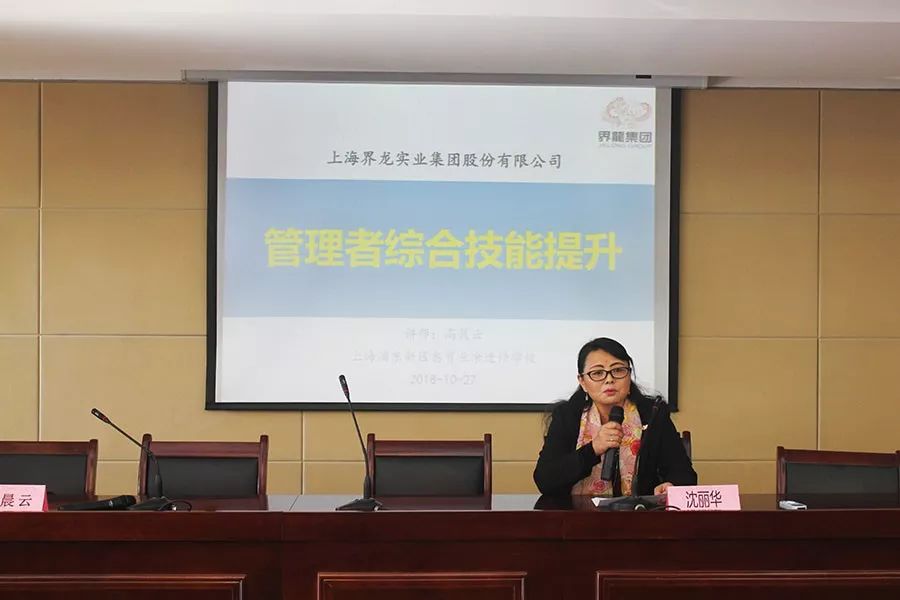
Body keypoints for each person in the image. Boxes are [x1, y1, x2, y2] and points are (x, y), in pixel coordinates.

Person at [533, 337, 696, 497]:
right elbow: (545, 480)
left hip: (640, 512)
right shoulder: (567, 416)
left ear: (629, 375)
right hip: (579, 512)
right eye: (598, 373)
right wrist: (593, 448)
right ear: (582, 382)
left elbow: (684, 475)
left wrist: (671, 486)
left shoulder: (653, 413)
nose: (609, 379)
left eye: (618, 370)